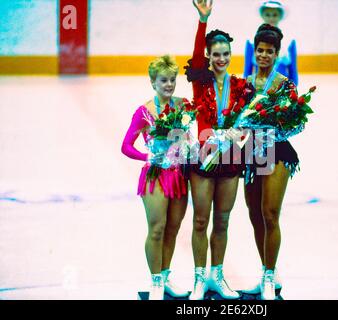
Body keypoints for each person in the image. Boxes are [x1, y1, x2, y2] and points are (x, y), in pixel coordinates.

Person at [184, 0, 254, 300]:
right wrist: (203, 20)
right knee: (201, 219)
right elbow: (196, 55)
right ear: (209, 57)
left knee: (223, 220)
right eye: (216, 54)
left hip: (230, 160)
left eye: (226, 53)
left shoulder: (240, 86)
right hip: (203, 157)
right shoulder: (200, 81)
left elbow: (248, 121)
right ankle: (199, 278)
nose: (221, 58)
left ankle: (217, 275)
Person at [121, 55, 189, 300]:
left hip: (179, 174)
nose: (169, 84)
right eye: (163, 80)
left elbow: (188, 137)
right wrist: (146, 156)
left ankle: (166, 274)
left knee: (173, 228)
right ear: (153, 82)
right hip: (155, 175)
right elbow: (126, 146)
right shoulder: (144, 112)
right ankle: (156, 281)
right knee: (157, 229)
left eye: (172, 80)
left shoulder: (183, 106)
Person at [242, 24, 300, 300]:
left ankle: (268, 275)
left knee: (270, 214)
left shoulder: (285, 85)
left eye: (270, 51)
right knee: (254, 215)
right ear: (254, 52)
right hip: (250, 153)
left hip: (277, 152)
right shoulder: (244, 85)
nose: (264, 55)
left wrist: (273, 129)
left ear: (277, 54)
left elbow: (297, 124)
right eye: (260, 50)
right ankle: (269, 272)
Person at [244, 0, 298, 85]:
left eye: (275, 15)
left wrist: (293, 88)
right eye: (267, 14)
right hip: (258, 88)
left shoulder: (289, 41)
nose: (271, 18)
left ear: (280, 16)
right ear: (262, 15)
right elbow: (247, 69)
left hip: (282, 88)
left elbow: (293, 70)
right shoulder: (251, 40)